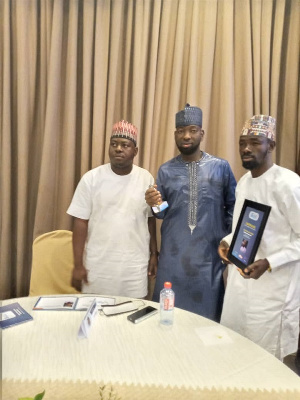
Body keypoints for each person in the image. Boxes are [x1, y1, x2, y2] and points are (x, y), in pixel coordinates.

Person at [218, 114, 300, 360]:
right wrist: (226, 242)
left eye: (255, 142)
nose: (246, 148)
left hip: (273, 293)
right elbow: (246, 230)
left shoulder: (288, 184)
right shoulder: (243, 182)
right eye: (243, 142)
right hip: (240, 286)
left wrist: (270, 262)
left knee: (266, 362)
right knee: (235, 351)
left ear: (271, 146)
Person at [145, 104, 236, 321]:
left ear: (201, 134)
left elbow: (233, 206)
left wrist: (227, 241)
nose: (187, 136)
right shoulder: (166, 170)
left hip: (208, 258)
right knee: (169, 316)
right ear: (175, 134)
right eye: (181, 131)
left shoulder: (220, 167)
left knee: (207, 319)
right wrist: (154, 204)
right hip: (173, 258)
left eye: (193, 130)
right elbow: (162, 212)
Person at [67, 120, 158, 298]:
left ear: (135, 151)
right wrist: (78, 265)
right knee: (96, 319)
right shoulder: (91, 179)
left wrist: (154, 254)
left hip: (133, 267)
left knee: (131, 318)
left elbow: (150, 220)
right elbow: (80, 222)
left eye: (125, 145)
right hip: (98, 266)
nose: (118, 149)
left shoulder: (145, 178)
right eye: (114, 144)